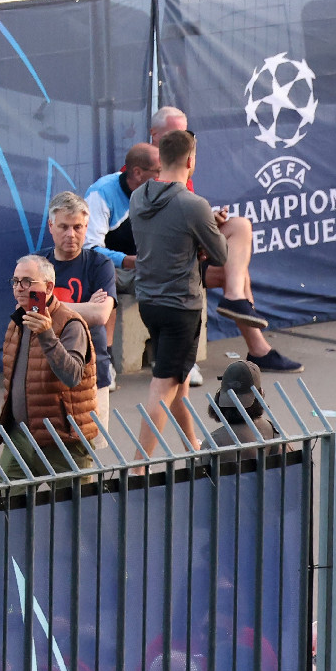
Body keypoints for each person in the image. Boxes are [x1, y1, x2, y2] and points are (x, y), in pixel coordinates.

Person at [128, 130, 227, 453]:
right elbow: (220, 255)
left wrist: (198, 231)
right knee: (164, 386)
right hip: (180, 307)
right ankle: (139, 466)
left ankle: (192, 445)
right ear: (190, 161)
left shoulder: (138, 196)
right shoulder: (193, 204)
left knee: (179, 383)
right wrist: (209, 228)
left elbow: (166, 237)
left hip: (149, 302)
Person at [0, 252, 100, 477]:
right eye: (15, 281)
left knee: (72, 508)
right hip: (21, 436)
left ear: (49, 288)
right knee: (9, 503)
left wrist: (47, 335)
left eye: (27, 282)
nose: (19, 287)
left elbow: (72, 376)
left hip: (62, 440)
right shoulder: (18, 321)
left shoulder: (70, 324)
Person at [44, 190, 118, 417]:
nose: (71, 234)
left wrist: (50, 306)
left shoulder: (100, 265)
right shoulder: (36, 265)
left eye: (78, 227)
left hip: (92, 372)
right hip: (47, 373)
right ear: (51, 226)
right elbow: (30, 311)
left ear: (86, 228)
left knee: (90, 448)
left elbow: (100, 315)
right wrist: (86, 305)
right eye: (64, 226)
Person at [82, 143, 159, 268]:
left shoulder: (162, 190)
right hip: (113, 271)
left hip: (148, 270)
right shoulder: (101, 193)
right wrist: (128, 261)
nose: (164, 176)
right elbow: (90, 249)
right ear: (138, 173)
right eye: (159, 171)